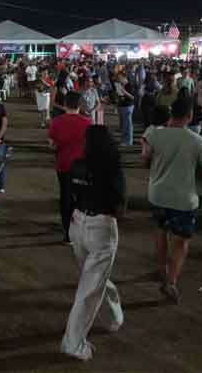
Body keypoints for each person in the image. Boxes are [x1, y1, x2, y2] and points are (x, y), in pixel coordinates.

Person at [143, 97, 202, 304]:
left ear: (171, 114)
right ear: (189, 116)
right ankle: (171, 280)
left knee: (160, 232)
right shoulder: (196, 140)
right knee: (180, 241)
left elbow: (146, 160)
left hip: (158, 194)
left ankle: (161, 270)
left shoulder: (154, 135)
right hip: (183, 199)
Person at [61, 125, 126, 361]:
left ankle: (113, 318)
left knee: (94, 278)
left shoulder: (77, 164)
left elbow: (68, 196)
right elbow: (120, 204)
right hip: (101, 225)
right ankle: (73, 343)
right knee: (90, 286)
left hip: (77, 223)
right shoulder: (112, 167)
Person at [49, 91, 92, 244]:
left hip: (64, 164)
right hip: (82, 166)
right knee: (82, 198)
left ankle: (68, 233)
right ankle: (82, 231)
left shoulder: (56, 122)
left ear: (65, 104)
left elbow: (52, 145)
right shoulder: (88, 122)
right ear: (79, 105)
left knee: (65, 197)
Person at [113, 72, 136, 145]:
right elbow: (120, 95)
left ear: (124, 77)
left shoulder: (130, 85)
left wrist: (124, 92)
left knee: (128, 125)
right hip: (122, 105)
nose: (118, 80)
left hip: (128, 106)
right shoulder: (121, 85)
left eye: (119, 78)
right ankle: (123, 140)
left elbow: (133, 97)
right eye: (117, 78)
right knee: (123, 125)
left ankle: (129, 141)